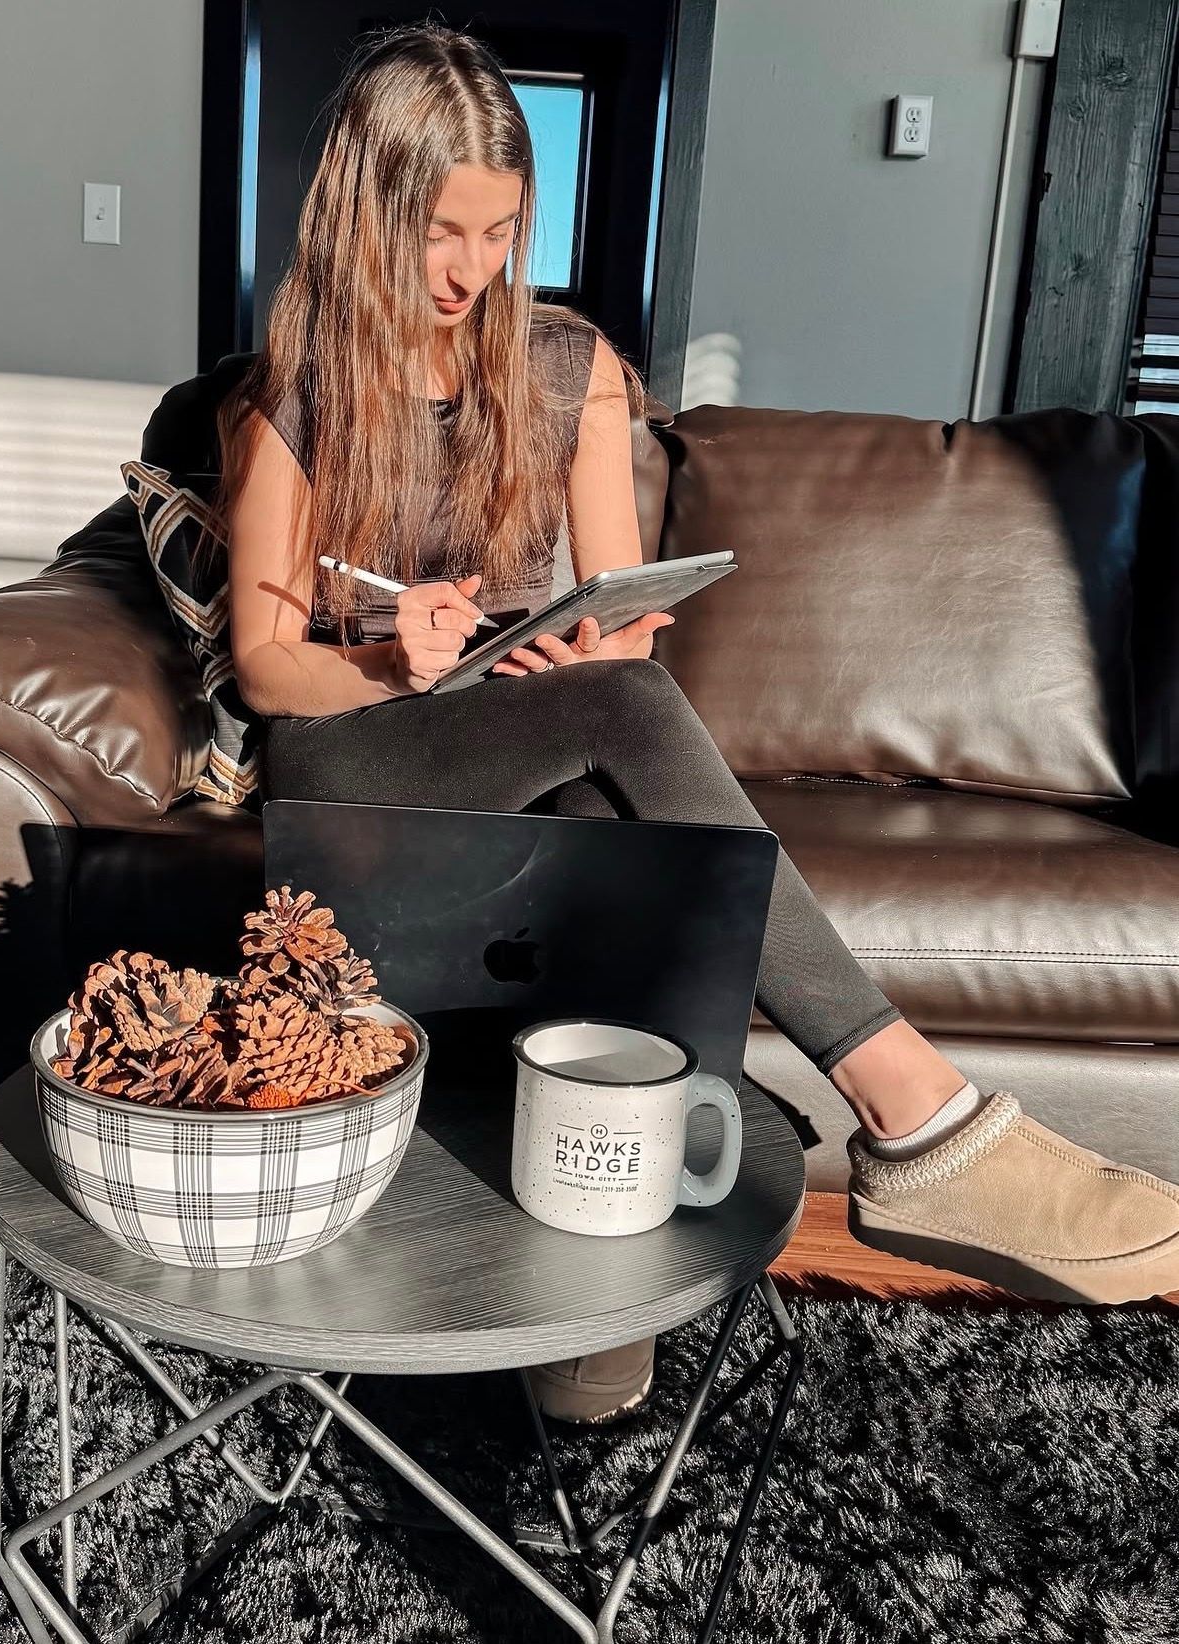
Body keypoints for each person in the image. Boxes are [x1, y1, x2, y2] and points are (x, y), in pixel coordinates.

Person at [216, 22, 1179, 1424]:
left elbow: (619, 613)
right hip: (362, 762)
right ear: (366, 214)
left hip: (533, 741)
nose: (472, 270)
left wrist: (595, 638)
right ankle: (921, 1120)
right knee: (616, 719)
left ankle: (593, 1292)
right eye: (441, 232)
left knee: (617, 770)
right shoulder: (289, 397)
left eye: (499, 232)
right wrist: (388, 664)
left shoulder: (569, 371)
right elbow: (261, 665)